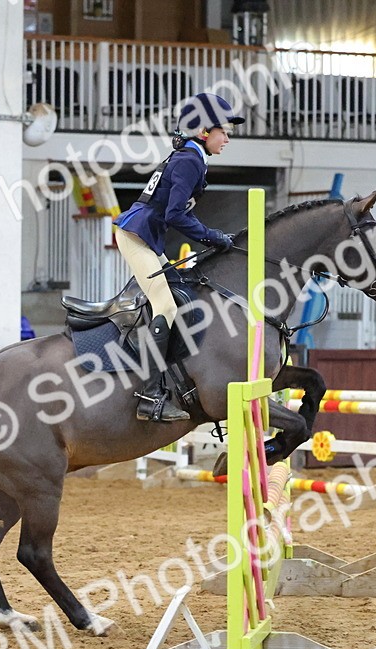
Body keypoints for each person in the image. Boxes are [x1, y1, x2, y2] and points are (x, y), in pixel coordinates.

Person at [114, 92, 244, 423]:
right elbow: (174, 214)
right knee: (167, 306)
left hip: (145, 238)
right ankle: (148, 396)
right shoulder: (189, 160)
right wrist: (213, 236)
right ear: (203, 131)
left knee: (176, 297)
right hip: (136, 237)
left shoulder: (190, 156)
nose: (227, 138)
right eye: (223, 132)